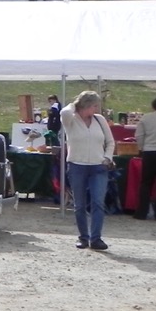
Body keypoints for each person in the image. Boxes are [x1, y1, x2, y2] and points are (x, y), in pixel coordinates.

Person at [62, 90, 116, 250]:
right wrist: (75, 105)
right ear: (85, 105)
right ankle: (83, 237)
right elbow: (64, 111)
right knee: (79, 204)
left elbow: (110, 141)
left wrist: (107, 157)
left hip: (98, 166)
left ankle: (96, 238)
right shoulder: (70, 119)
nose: (97, 109)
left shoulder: (99, 120)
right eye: (94, 105)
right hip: (77, 165)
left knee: (98, 202)